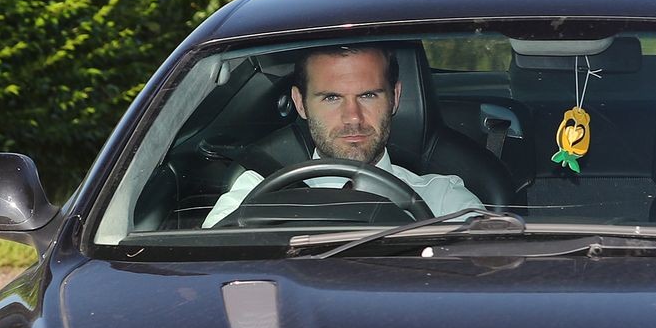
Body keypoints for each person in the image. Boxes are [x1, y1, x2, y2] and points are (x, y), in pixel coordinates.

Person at [203, 44, 481, 227]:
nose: (352, 117)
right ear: (300, 104)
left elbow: (491, 282)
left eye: (369, 95)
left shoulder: (443, 200)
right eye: (332, 98)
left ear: (395, 98)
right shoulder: (254, 195)